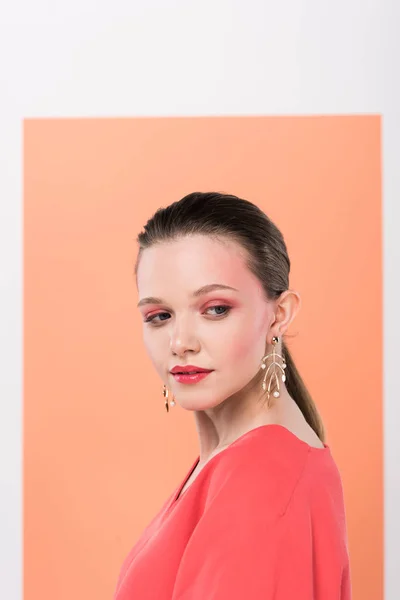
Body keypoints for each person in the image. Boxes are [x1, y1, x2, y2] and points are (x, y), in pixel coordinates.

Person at [113, 191, 352, 599]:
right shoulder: (243, 461)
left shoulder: (261, 481)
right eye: (160, 316)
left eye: (216, 309)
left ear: (279, 314)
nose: (181, 342)